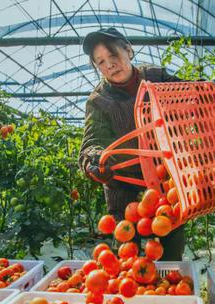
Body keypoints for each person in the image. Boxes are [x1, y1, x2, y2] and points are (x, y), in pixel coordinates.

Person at [79, 27, 186, 261]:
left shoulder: (157, 78)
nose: (109, 65)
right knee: (128, 256)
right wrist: (95, 161)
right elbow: (92, 140)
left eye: (113, 56)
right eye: (101, 62)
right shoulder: (99, 101)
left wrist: (203, 88)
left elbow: (186, 93)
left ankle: (171, 293)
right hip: (122, 183)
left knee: (172, 250)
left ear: (128, 50)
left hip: (163, 182)